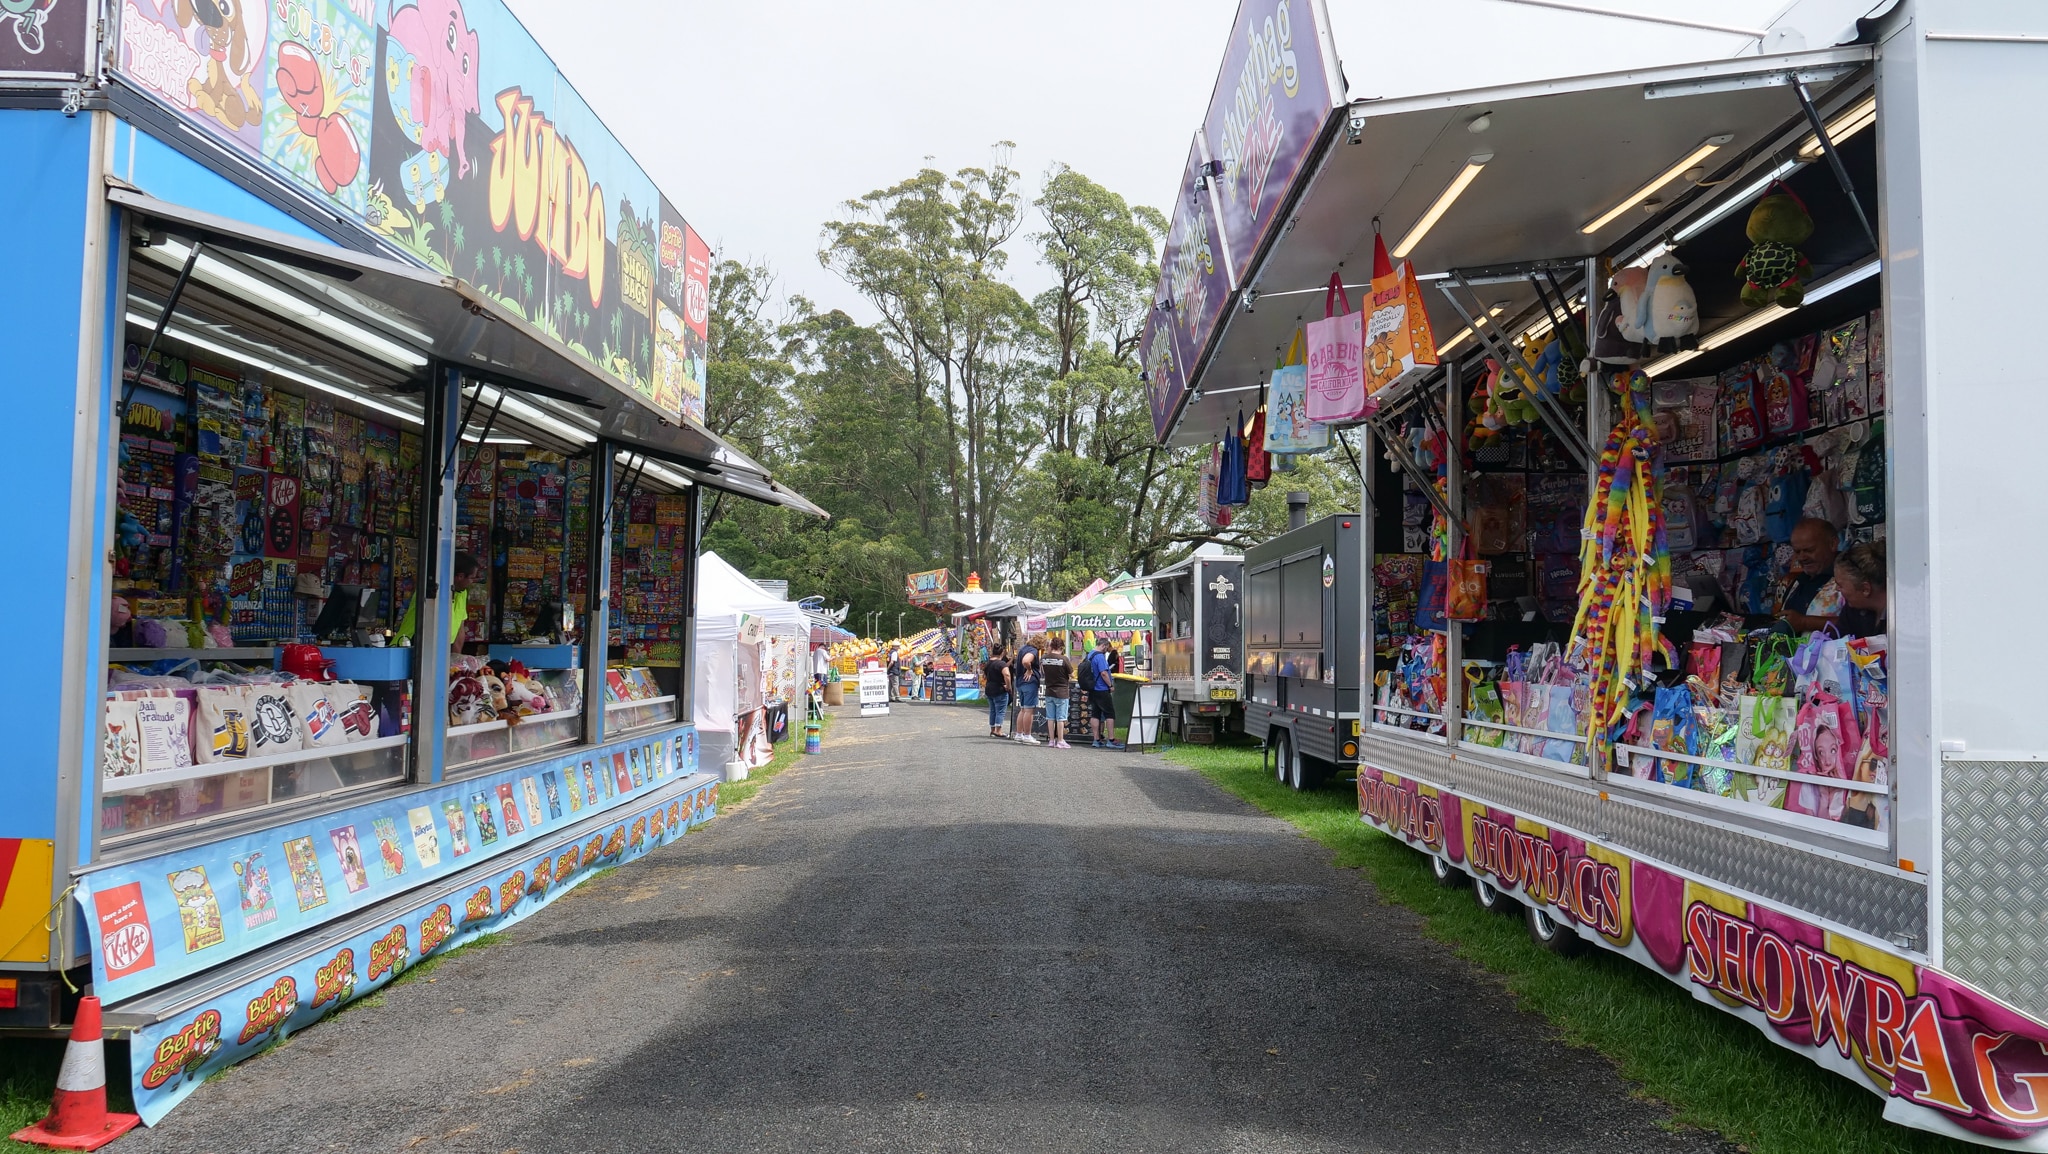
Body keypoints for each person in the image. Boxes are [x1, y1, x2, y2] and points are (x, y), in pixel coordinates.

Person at [394, 551, 478, 651]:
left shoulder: (461, 592)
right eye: (472, 578)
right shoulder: (434, 591)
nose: (472, 582)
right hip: (411, 645)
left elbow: (460, 628)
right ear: (460, 576)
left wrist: (456, 660)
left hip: (440, 649)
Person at [1779, 519, 1844, 633]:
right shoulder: (1798, 581)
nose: (1802, 557)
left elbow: (1862, 624)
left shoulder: (1851, 579)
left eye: (1809, 550)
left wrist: (1805, 622)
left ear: (1833, 544)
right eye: (1797, 552)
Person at [1834, 541, 1887, 638]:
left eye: (1840, 585)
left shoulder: (1902, 618)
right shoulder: (1851, 611)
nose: (1837, 589)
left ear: (1865, 589)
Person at [1084, 637, 1122, 750]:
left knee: (1095, 714)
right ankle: (1111, 740)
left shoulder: (1089, 654)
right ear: (1104, 646)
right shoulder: (1100, 656)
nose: (1107, 650)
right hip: (1101, 689)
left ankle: (1096, 739)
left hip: (1092, 689)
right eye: (1107, 647)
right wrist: (1110, 685)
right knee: (1110, 714)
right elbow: (1104, 673)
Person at [1039, 635, 1073, 749]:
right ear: (1061, 647)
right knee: (1061, 718)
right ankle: (1060, 740)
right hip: (1062, 691)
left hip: (1049, 690)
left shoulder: (1044, 658)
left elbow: (1043, 672)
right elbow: (1071, 673)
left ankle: (1051, 740)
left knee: (1050, 717)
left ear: (1051, 646)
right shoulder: (1064, 659)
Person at [1012, 634, 1041, 745]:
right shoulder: (1033, 651)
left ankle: (1019, 734)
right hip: (1029, 682)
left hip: (1020, 682)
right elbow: (1025, 661)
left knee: (1023, 709)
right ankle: (1027, 736)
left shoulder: (1023, 649)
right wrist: (1029, 669)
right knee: (1029, 710)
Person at [982, 644, 1012, 738]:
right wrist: (1008, 686)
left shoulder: (988, 663)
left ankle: (992, 730)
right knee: (1000, 711)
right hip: (999, 688)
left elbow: (984, 675)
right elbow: (1007, 675)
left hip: (989, 688)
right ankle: (998, 730)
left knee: (992, 710)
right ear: (1002, 653)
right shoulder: (1001, 664)